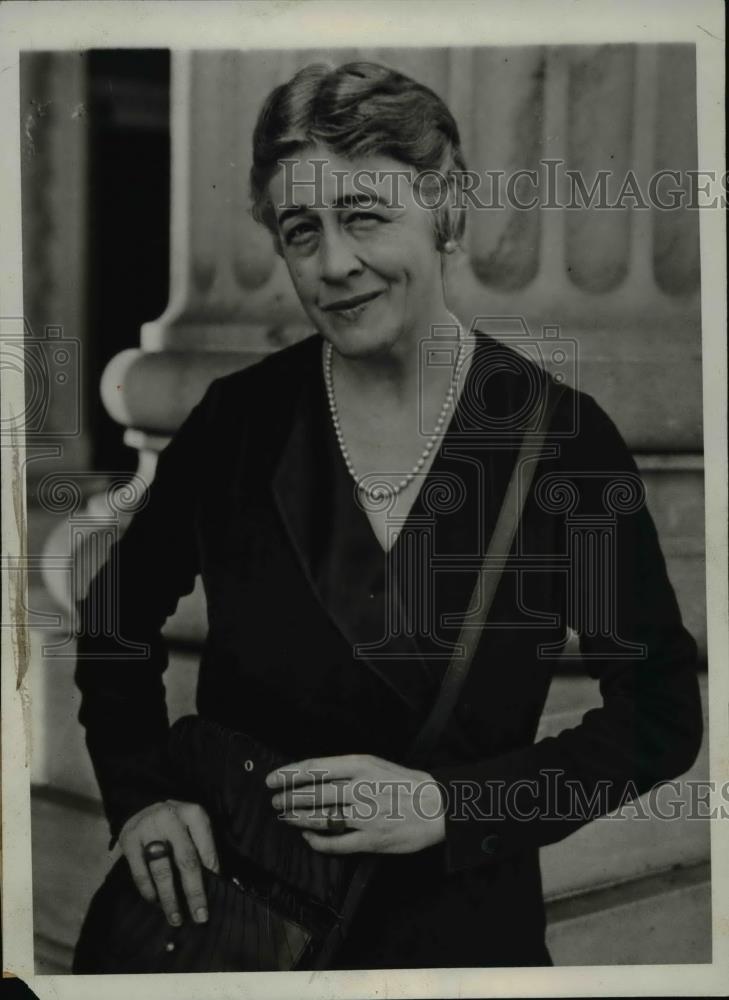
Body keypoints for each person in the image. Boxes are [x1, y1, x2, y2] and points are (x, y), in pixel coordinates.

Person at [74, 61, 703, 969]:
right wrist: (137, 795)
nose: (333, 263)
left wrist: (454, 807)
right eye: (301, 230)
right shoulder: (238, 426)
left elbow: (658, 716)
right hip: (242, 931)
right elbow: (113, 617)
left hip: (455, 936)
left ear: (444, 206)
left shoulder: (560, 442)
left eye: (365, 214)